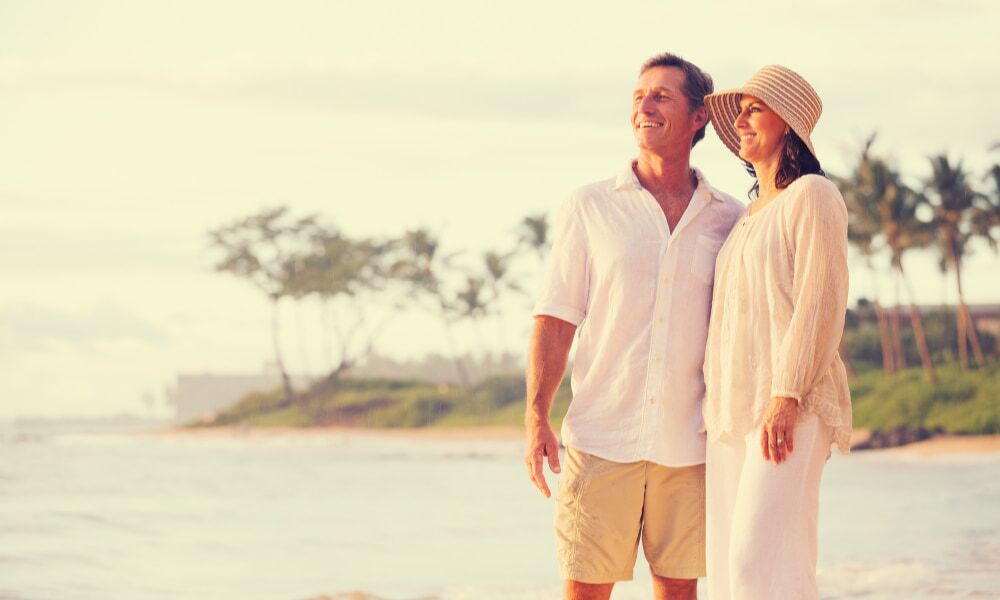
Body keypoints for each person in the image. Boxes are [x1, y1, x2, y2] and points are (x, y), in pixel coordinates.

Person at [524, 52, 743, 600]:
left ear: (698, 119)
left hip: (689, 443)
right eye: (639, 95)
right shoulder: (590, 207)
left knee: (678, 591)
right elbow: (556, 316)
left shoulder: (729, 218)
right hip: (602, 437)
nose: (645, 104)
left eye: (662, 95)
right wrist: (536, 417)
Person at [700, 65, 852, 600]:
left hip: (790, 406)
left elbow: (820, 301)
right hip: (732, 411)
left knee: (752, 565)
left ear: (786, 123)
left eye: (754, 108)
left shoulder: (812, 195)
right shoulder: (746, 216)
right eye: (738, 110)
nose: (740, 119)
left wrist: (785, 394)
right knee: (741, 570)